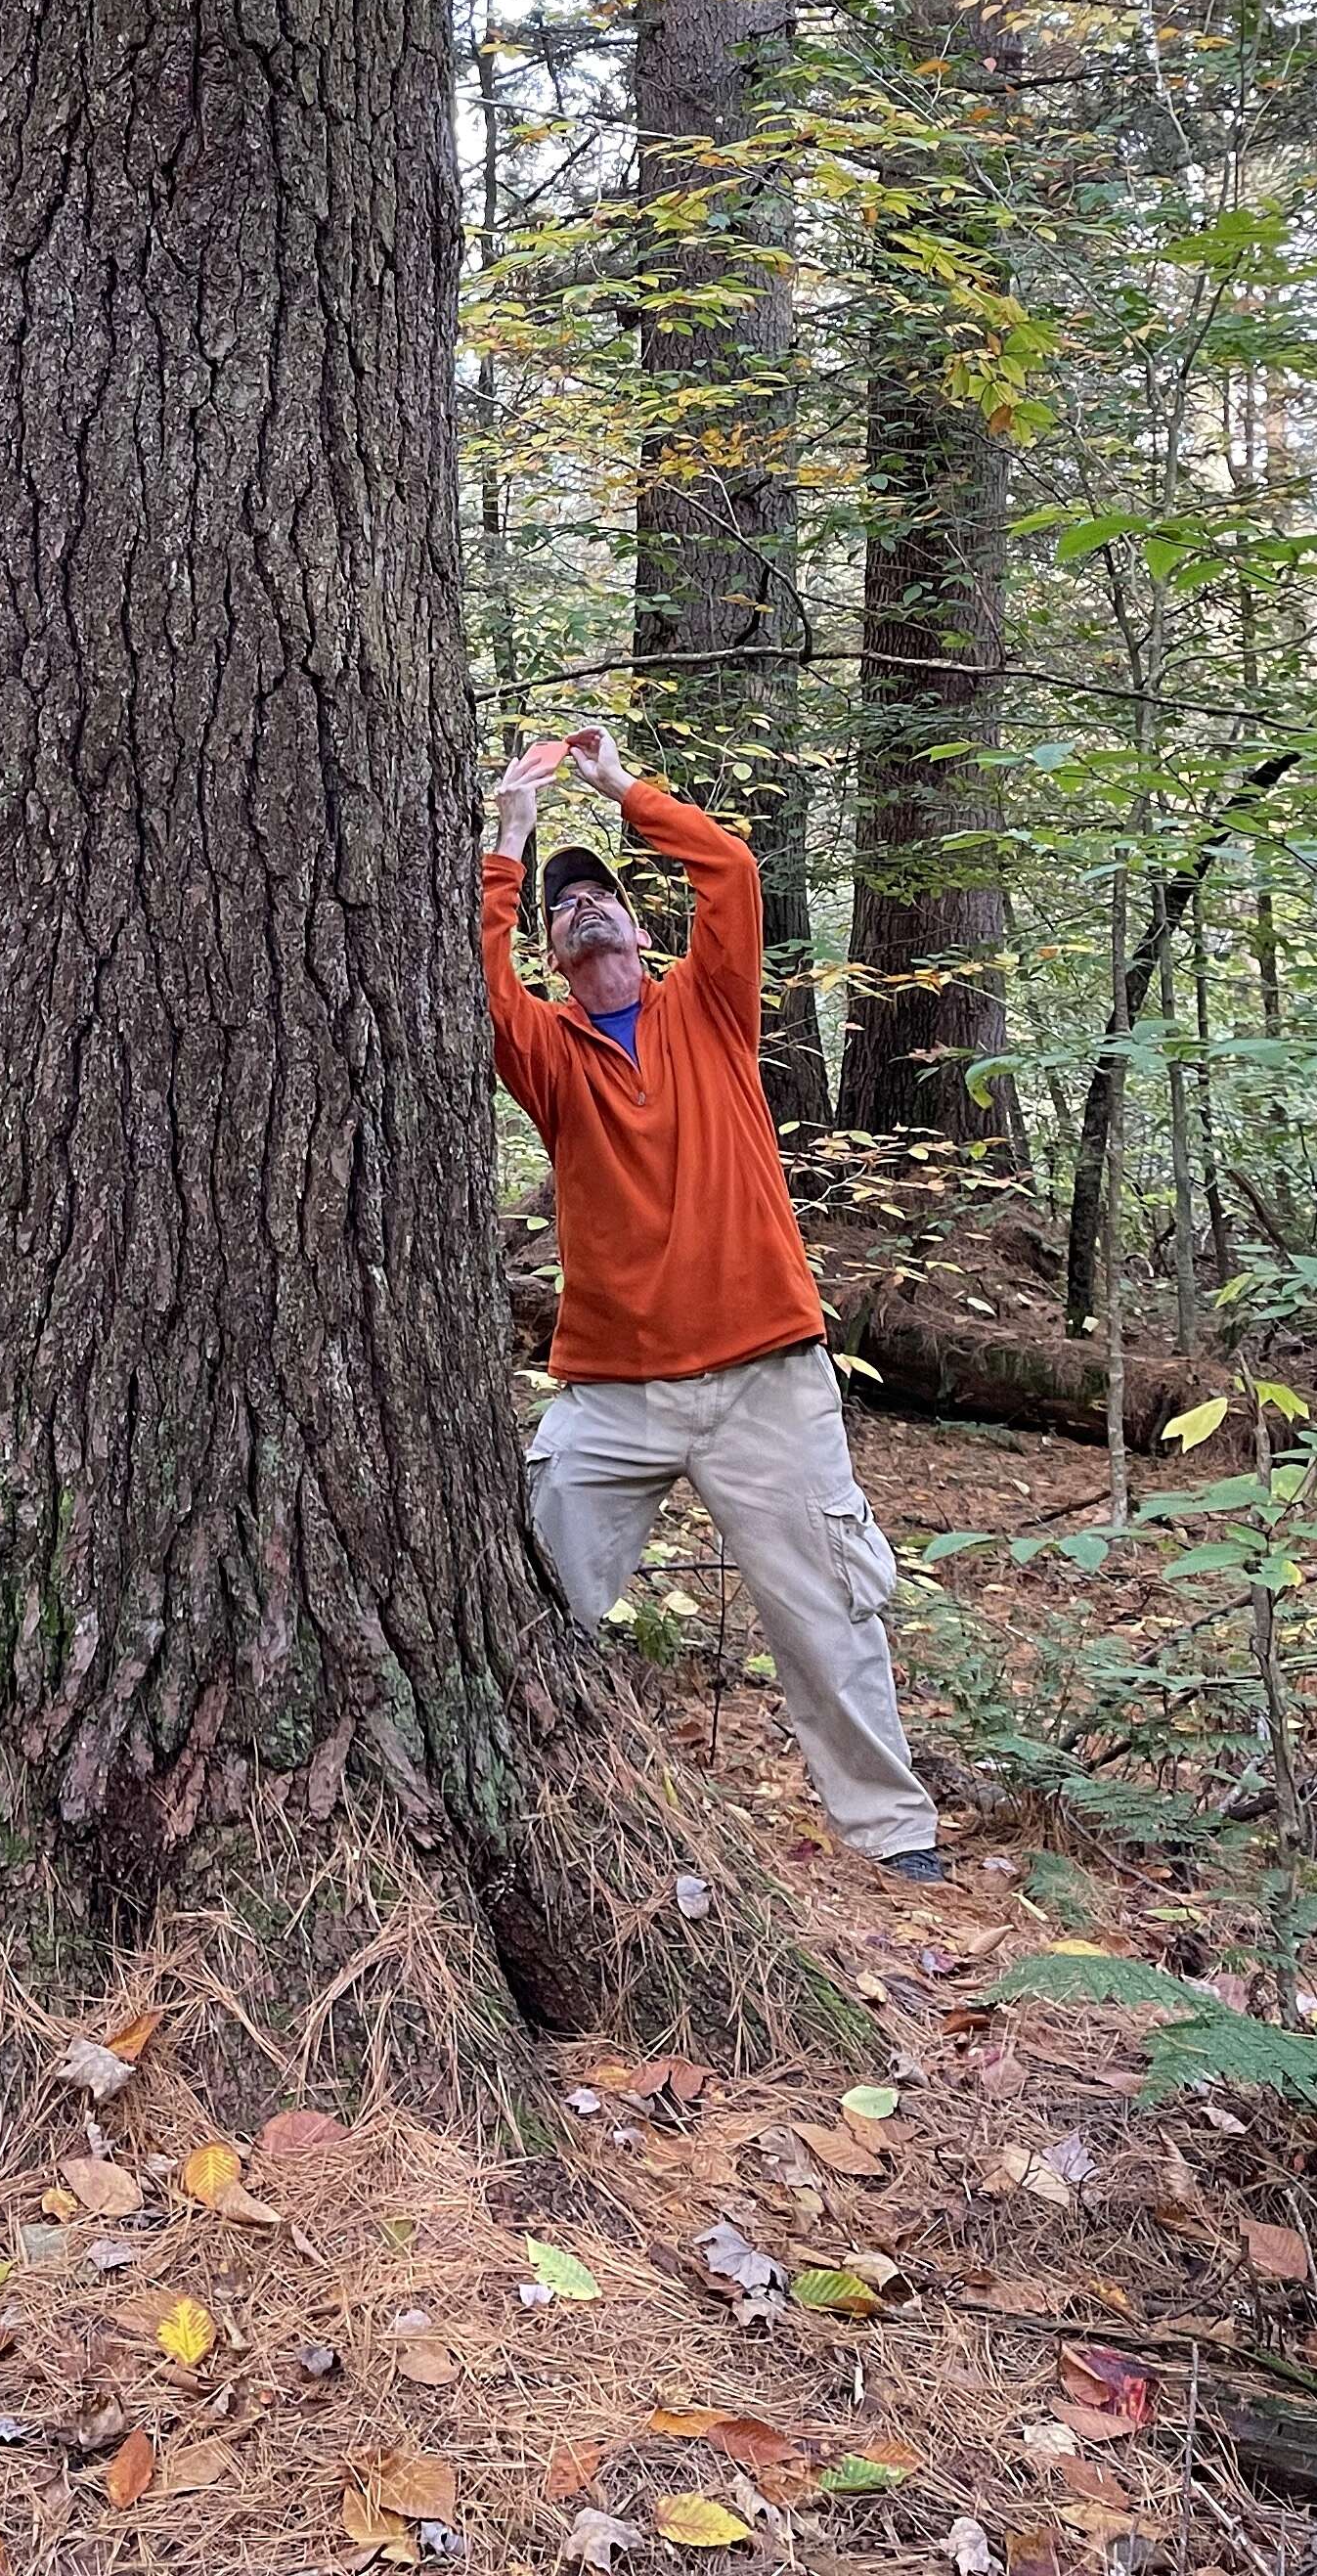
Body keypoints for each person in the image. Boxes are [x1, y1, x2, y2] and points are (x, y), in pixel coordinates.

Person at [483, 720, 944, 1881]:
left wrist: (619, 785)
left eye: (602, 902)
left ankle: (893, 1838)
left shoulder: (710, 1009)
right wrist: (511, 840)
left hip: (764, 1382)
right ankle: (526, 1818)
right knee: (528, 1598)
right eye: (561, 909)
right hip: (614, 1391)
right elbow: (474, 989)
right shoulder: (549, 1054)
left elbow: (730, 871)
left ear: (639, 930)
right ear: (552, 952)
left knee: (826, 1615)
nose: (583, 911)